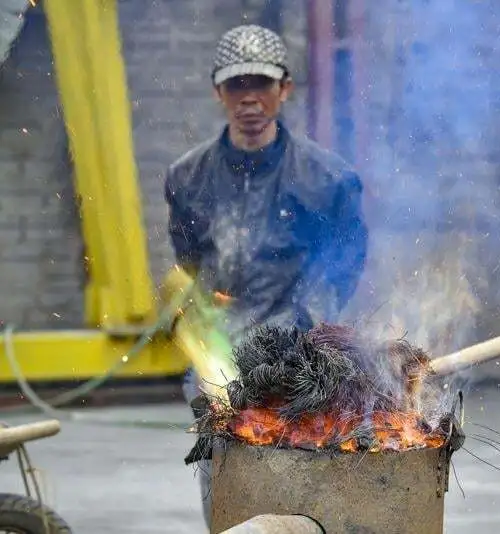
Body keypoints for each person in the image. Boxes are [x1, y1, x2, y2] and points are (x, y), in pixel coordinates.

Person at [163, 24, 369, 528]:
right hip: (220, 365)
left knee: (300, 496)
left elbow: (344, 265)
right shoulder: (187, 178)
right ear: (219, 92)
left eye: (261, 85)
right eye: (236, 86)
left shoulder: (328, 181)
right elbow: (189, 266)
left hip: (296, 364)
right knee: (229, 496)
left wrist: (307, 334)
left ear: (284, 90)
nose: (249, 99)